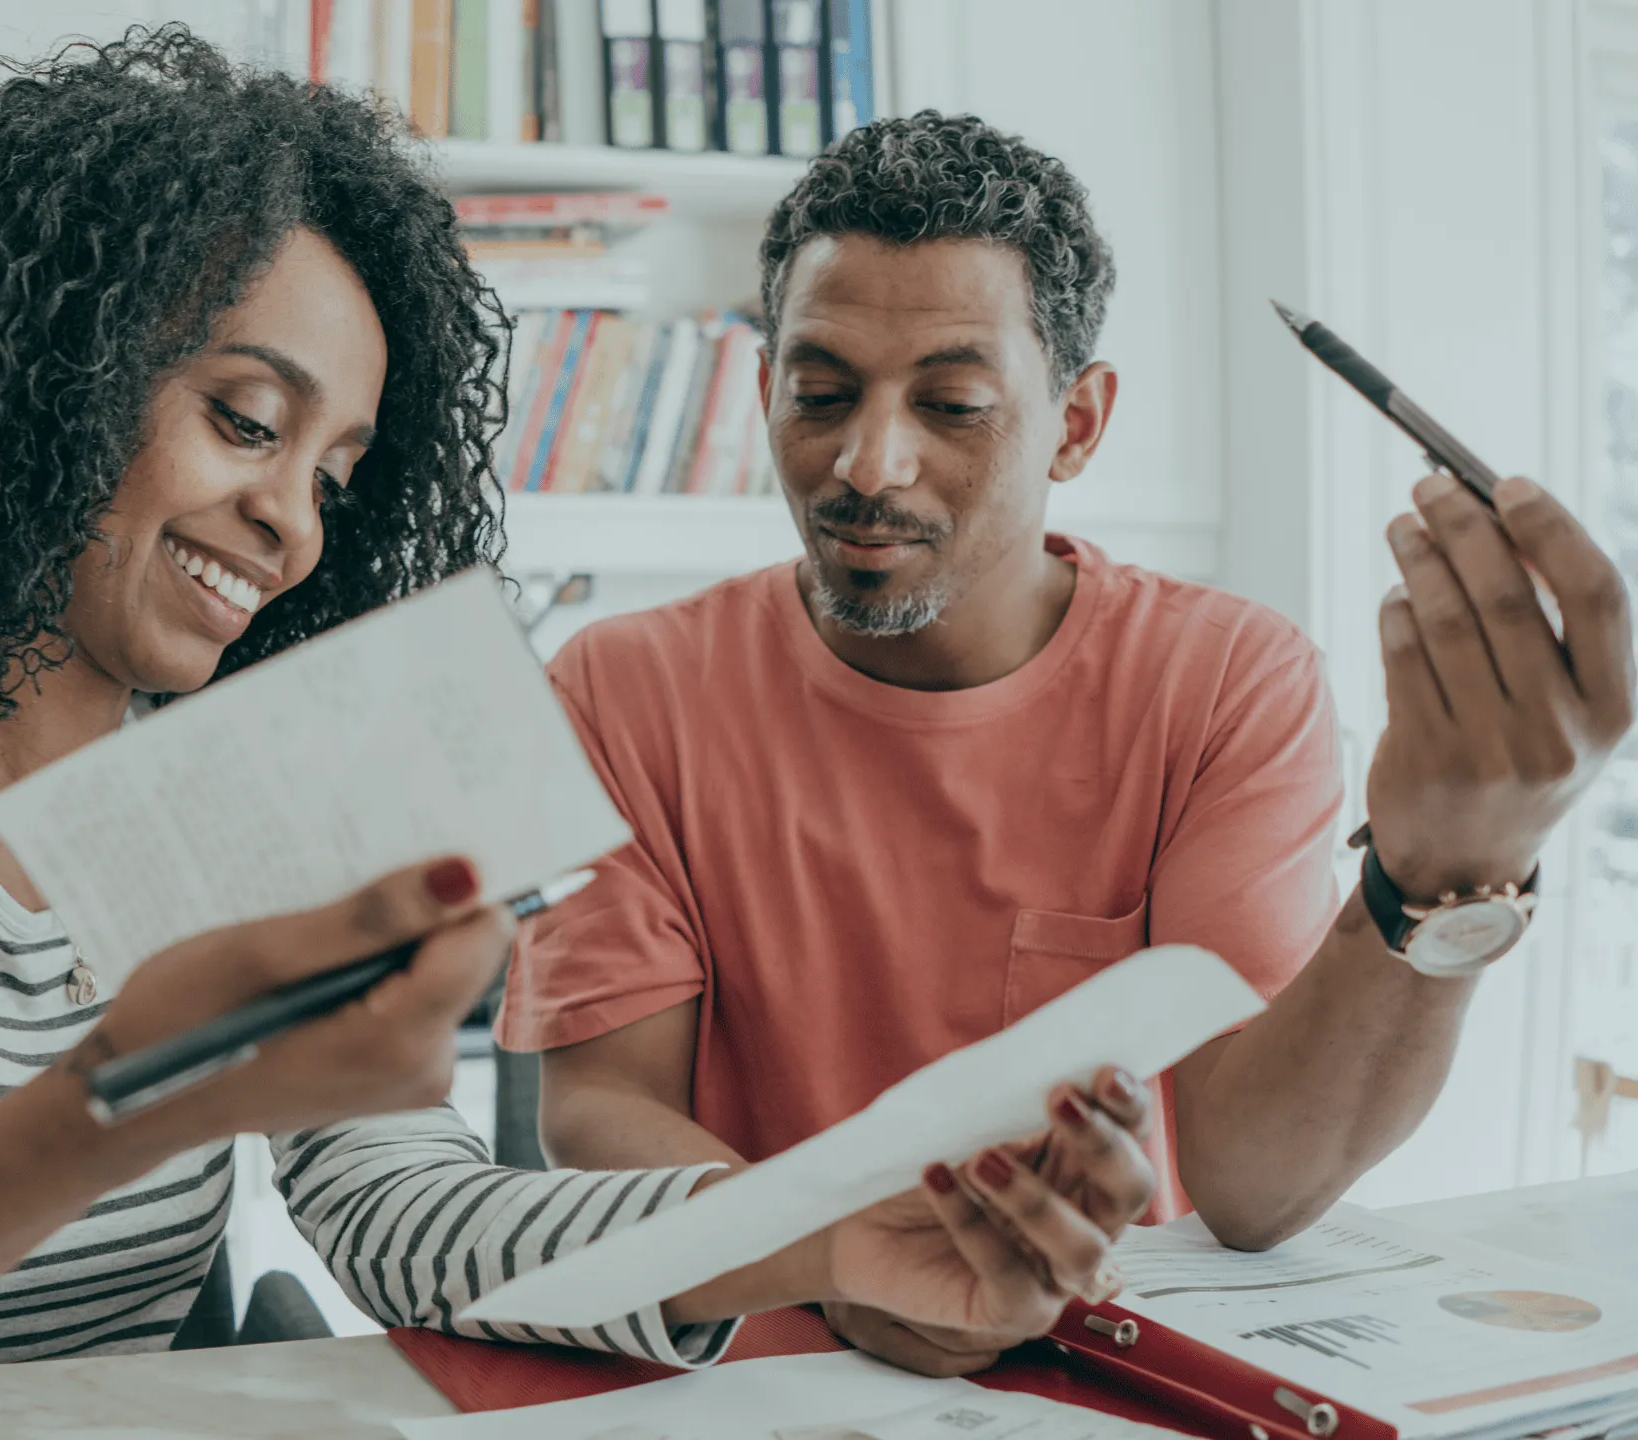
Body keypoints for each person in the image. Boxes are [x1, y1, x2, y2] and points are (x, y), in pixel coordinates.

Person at [0, 39, 1154, 1440]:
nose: (294, 529)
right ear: (48, 367)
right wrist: (120, 1105)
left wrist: (817, 1232)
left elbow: (421, 1221)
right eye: (245, 421)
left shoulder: (274, 769)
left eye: (340, 474)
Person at [503, 110, 1635, 1378]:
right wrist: (829, 1255)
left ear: (1077, 425)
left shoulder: (1220, 680)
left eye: (952, 404)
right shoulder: (618, 684)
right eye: (819, 394)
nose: (867, 464)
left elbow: (1252, 1190)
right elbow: (599, 1103)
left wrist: (1436, 874)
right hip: (752, 1365)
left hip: (1092, 1370)